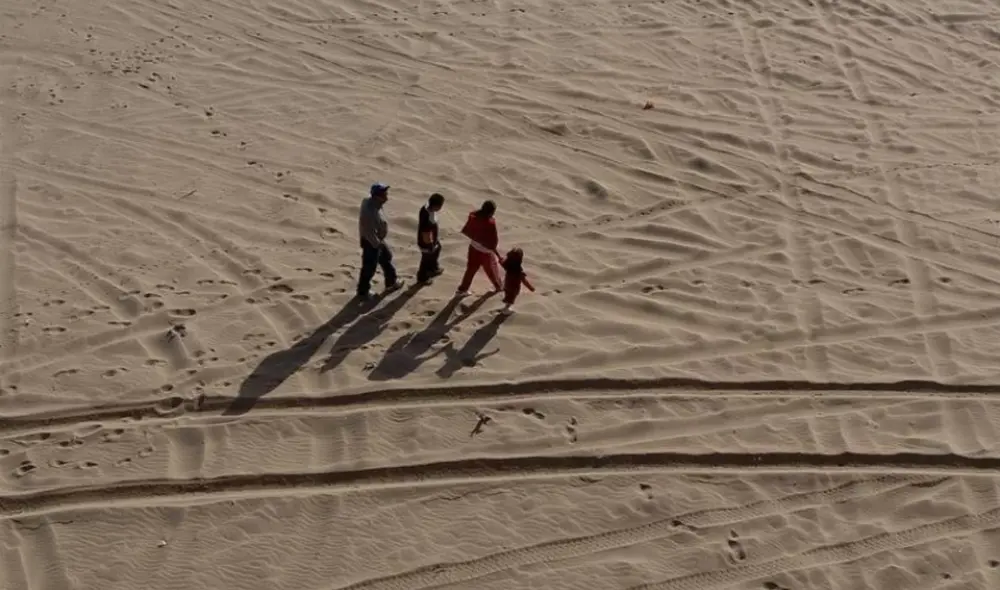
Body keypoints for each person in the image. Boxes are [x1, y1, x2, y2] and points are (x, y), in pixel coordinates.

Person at [357, 182, 403, 299]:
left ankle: (391, 282)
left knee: (386, 258)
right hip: (371, 242)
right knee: (369, 267)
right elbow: (368, 232)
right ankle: (363, 292)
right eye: (384, 194)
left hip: (378, 240)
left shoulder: (375, 203)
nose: (387, 196)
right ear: (377, 196)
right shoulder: (369, 212)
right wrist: (377, 245)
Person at [456, 200, 502, 296]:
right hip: (485, 252)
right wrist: (494, 249)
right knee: (491, 270)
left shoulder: (473, 216)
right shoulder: (490, 223)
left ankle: (462, 289)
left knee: (470, 269)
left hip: (473, 248)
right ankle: (498, 287)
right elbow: (493, 240)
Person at [416, 193, 445, 283]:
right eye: (440, 206)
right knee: (426, 259)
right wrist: (430, 245)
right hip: (426, 242)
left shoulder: (429, 208)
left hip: (432, 240)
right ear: (436, 206)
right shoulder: (426, 215)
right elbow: (426, 233)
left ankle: (433, 268)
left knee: (438, 249)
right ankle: (422, 278)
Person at [499, 247, 535, 313]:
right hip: (514, 288)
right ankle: (506, 309)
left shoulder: (507, 265)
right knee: (511, 299)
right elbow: (524, 281)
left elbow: (502, 263)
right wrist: (531, 288)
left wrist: (501, 260)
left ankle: (505, 305)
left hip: (506, 285)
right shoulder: (519, 271)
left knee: (507, 296)